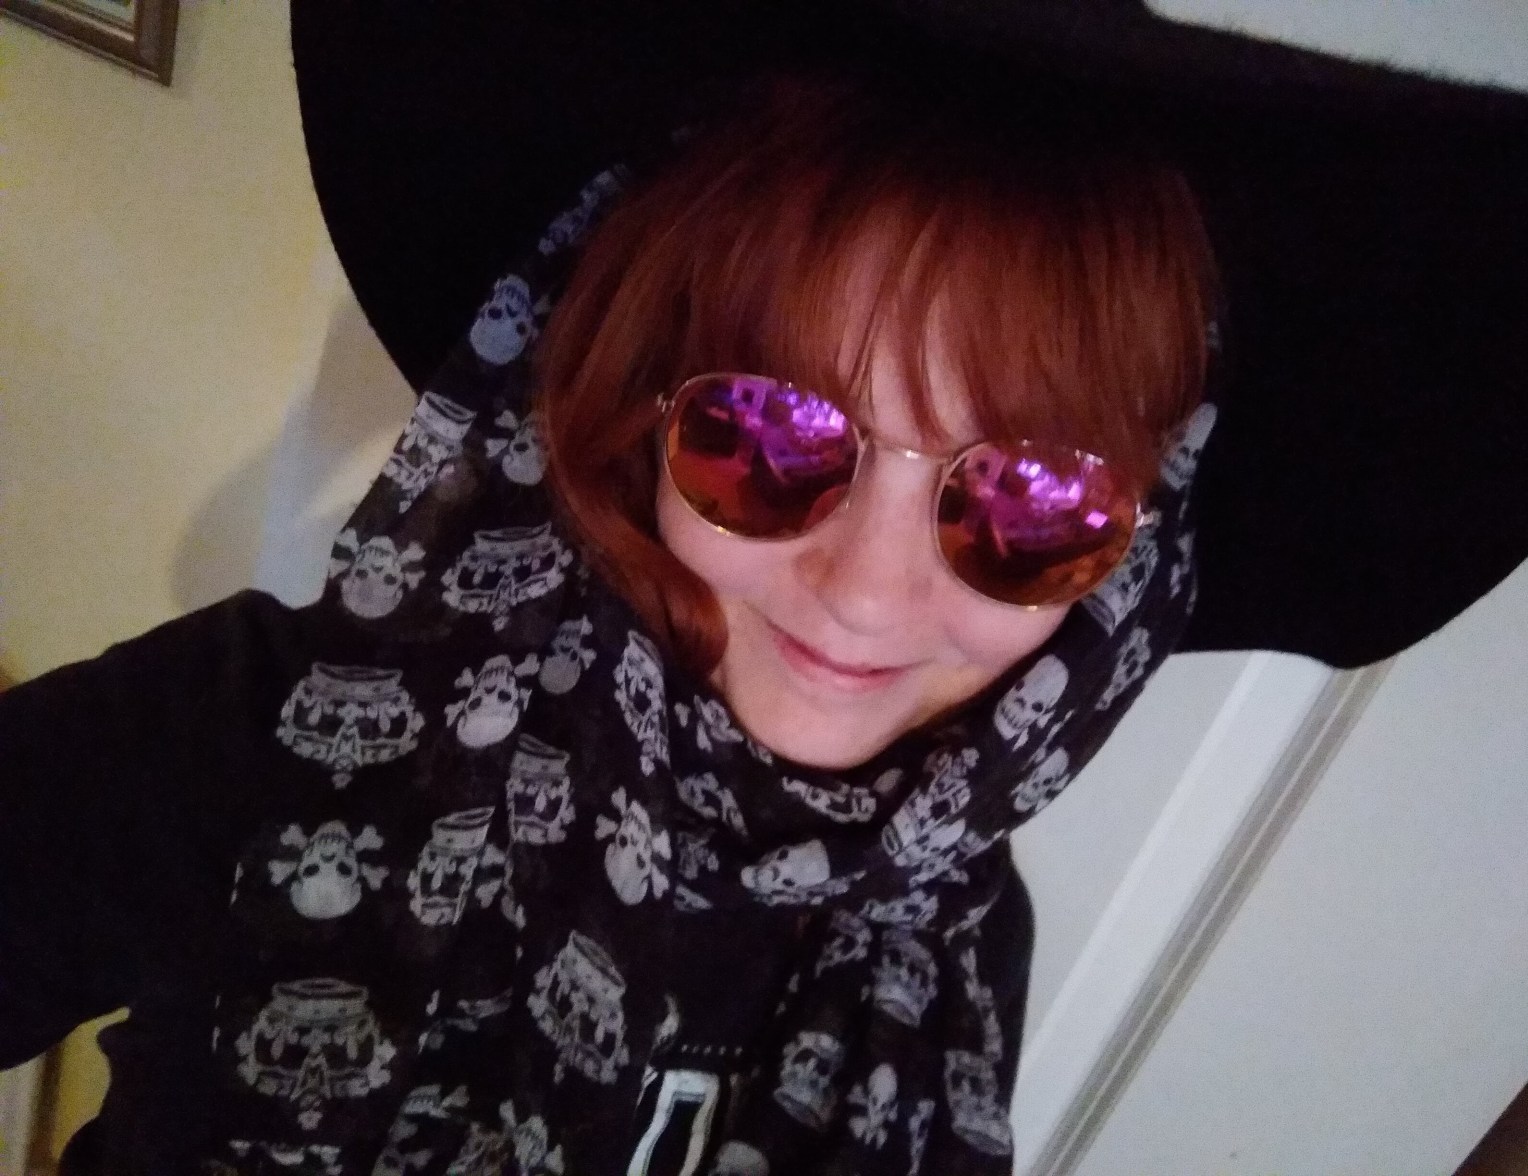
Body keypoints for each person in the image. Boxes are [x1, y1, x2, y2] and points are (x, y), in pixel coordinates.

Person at [0, 74, 1219, 1175]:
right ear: (640, 408)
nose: (863, 592)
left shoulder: (956, 929)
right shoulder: (257, 734)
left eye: (1028, 501)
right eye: (770, 433)